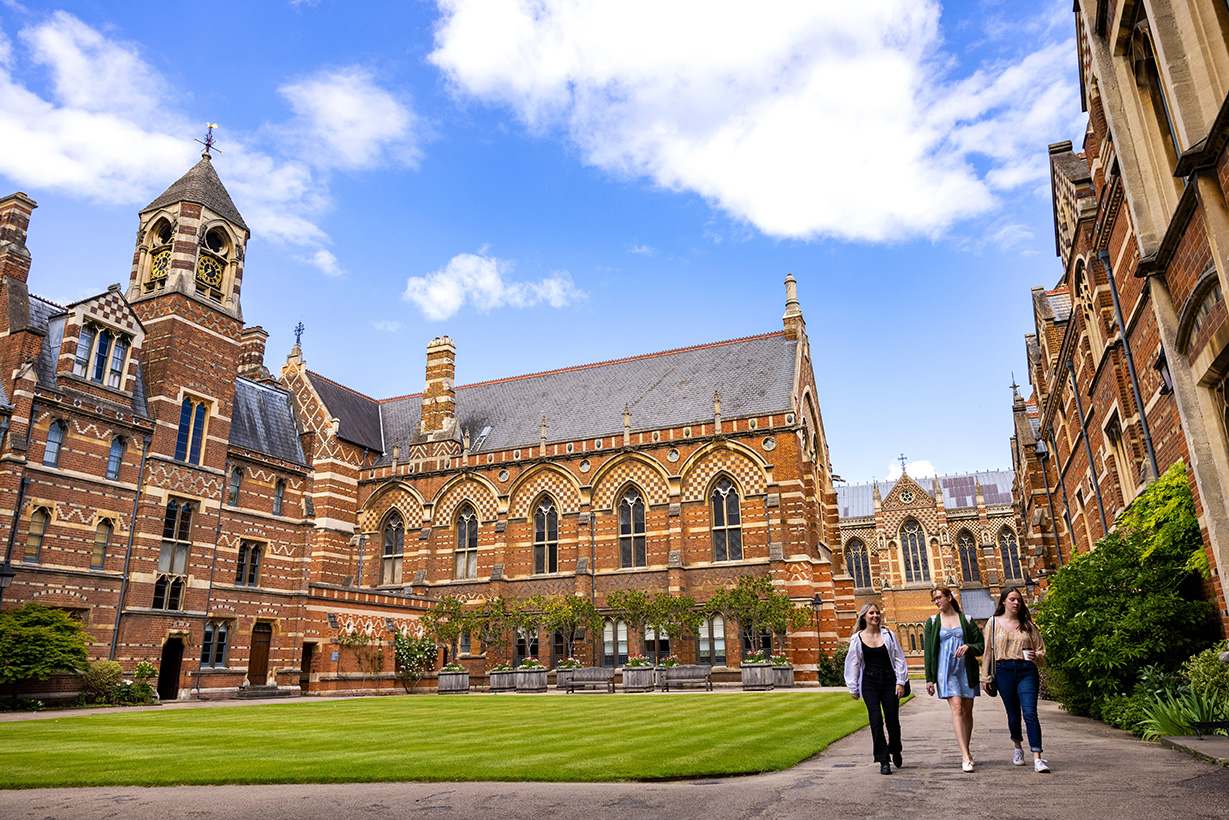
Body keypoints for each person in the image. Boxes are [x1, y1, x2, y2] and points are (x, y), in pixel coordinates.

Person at [982, 587, 1050, 773]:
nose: (1016, 603)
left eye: (1018, 600)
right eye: (1012, 599)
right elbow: (988, 651)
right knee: (1013, 715)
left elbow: (1041, 649)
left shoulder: (1028, 624)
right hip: (1004, 671)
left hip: (1027, 670)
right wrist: (985, 677)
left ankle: (1037, 757)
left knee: (1030, 713)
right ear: (1003, 601)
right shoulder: (993, 623)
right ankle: (1018, 747)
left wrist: (1038, 656)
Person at [844, 603, 910, 774]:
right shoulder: (857, 638)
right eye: (871, 613)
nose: (875, 615)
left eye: (877, 613)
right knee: (875, 721)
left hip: (890, 681)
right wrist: (853, 686)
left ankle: (895, 748)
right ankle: (883, 760)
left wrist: (900, 682)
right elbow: (853, 663)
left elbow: (898, 658)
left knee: (892, 721)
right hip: (870, 683)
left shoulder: (888, 635)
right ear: (863, 617)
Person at [923, 584, 983, 772]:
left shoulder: (967, 620)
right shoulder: (932, 622)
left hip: (966, 669)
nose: (937, 602)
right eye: (934, 599)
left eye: (939, 597)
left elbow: (981, 644)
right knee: (956, 708)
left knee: (967, 712)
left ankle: (967, 749)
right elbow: (929, 653)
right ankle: (965, 756)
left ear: (949, 597)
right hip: (945, 670)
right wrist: (929, 678)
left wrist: (968, 647)